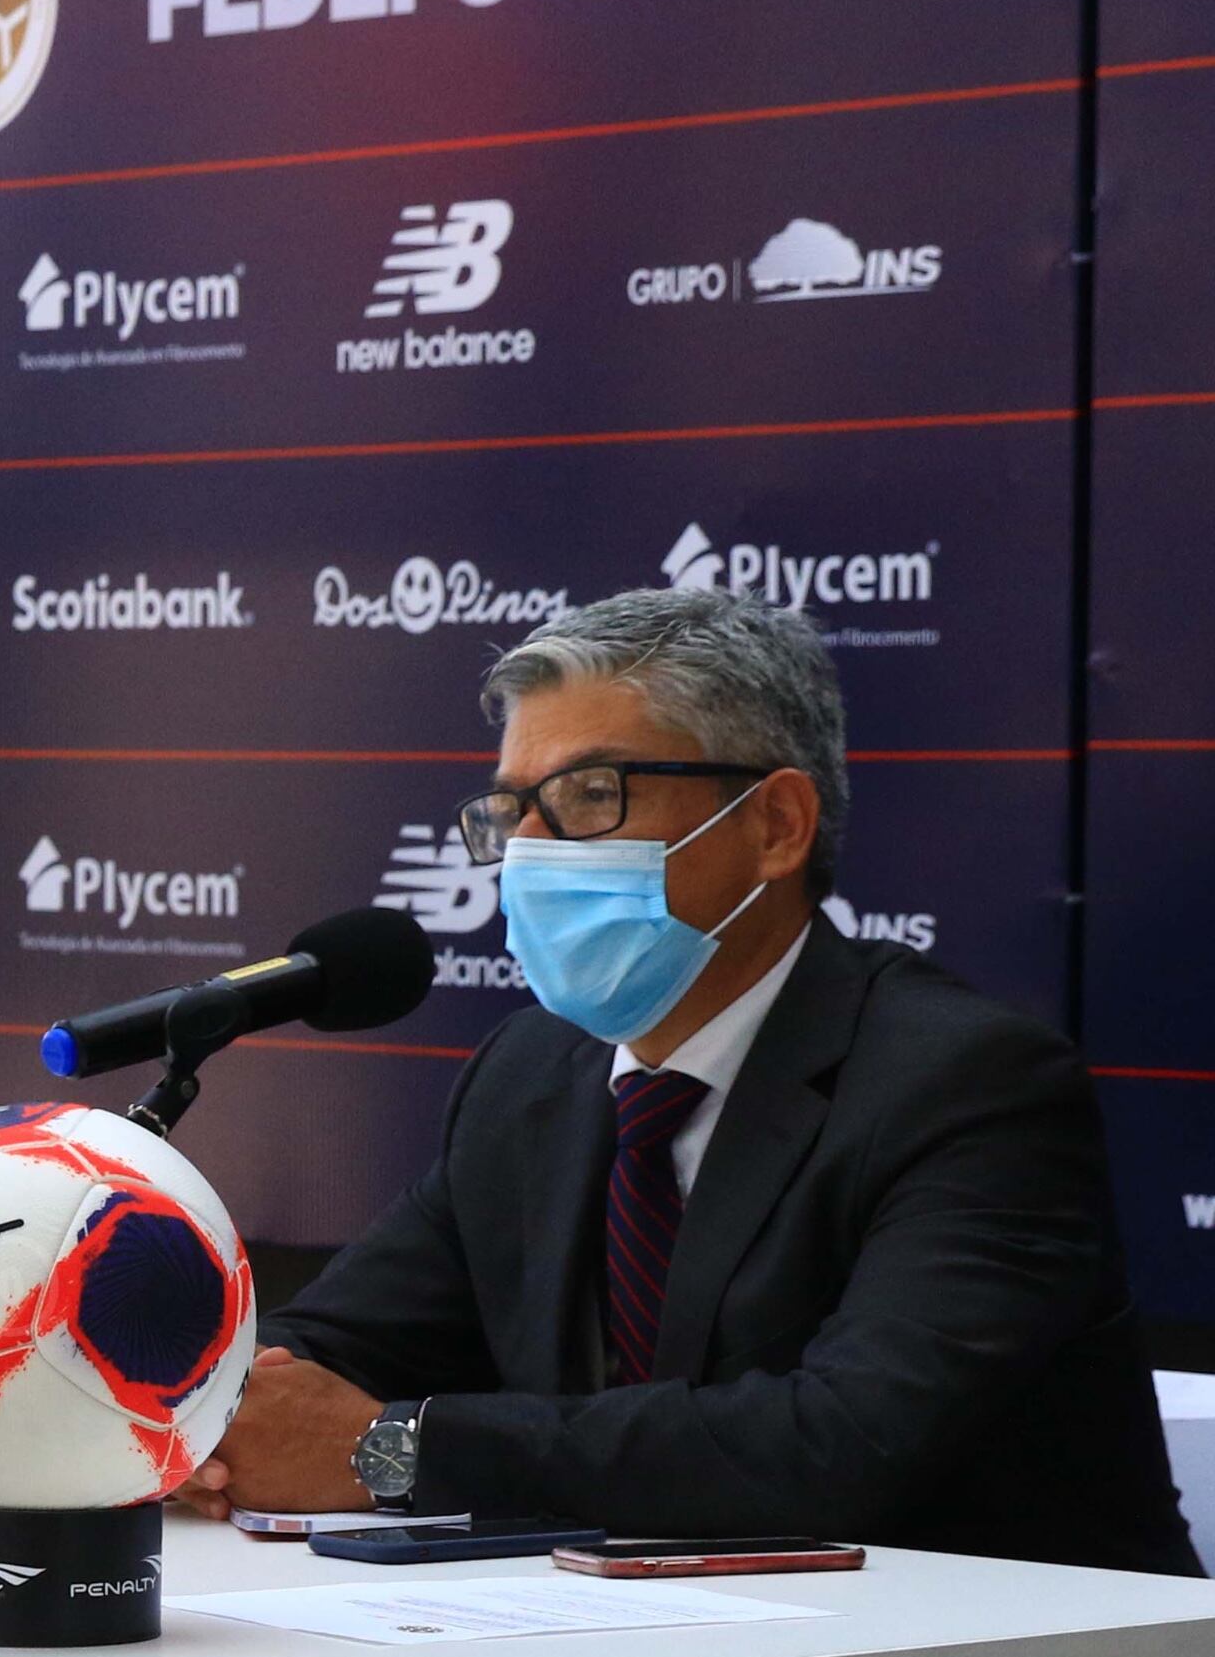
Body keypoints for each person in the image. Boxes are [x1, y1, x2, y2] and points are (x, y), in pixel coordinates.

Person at [184, 588, 1195, 1573]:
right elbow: (337, 1345)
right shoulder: (528, 1075)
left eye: (590, 795)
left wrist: (395, 1450)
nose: (526, 852)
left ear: (776, 825)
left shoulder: (966, 1084)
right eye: (512, 809)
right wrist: (210, 1418)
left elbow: (841, 1443)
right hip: (642, 1651)